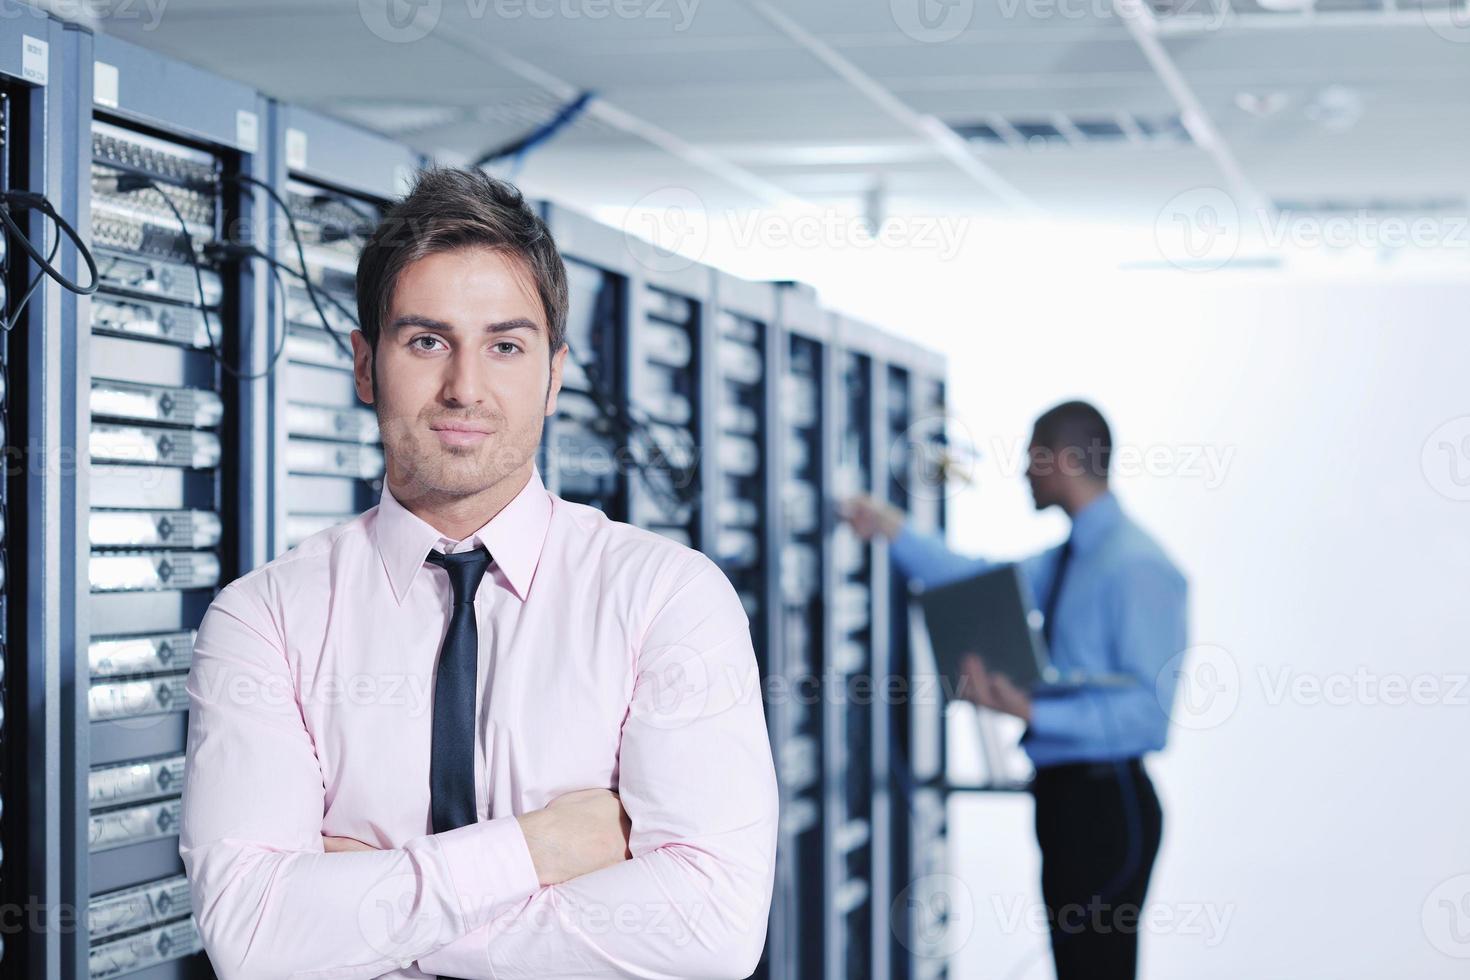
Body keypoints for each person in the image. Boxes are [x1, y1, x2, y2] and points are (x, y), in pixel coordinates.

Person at [179, 168, 778, 979]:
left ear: (554, 373)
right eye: (426, 341)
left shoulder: (665, 598)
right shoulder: (266, 619)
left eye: (505, 346)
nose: (465, 387)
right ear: (365, 365)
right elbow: (252, 938)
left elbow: (712, 930)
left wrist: (372, 916)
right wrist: (543, 848)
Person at [842, 400, 1187, 980]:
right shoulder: (1073, 558)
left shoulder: (1137, 566)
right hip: (1067, 796)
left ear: (1068, 459)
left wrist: (1026, 709)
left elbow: (1148, 716)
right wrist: (891, 529)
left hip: (1107, 802)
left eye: (1034, 457)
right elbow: (981, 580)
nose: (1025, 472)